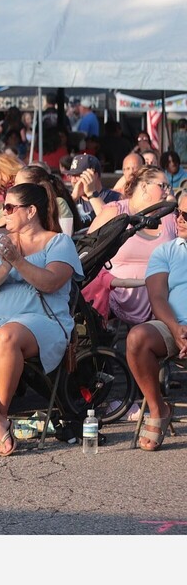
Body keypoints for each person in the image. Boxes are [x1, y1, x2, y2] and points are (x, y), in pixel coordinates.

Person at [0, 183, 82, 457]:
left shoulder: (58, 242)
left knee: (7, 336)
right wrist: (6, 264)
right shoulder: (1, 243)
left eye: (10, 207)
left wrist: (18, 262)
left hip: (44, 320)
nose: (5, 212)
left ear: (31, 211)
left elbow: (50, 283)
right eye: (5, 206)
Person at [125, 190, 187, 451]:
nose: (180, 219)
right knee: (138, 338)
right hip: (173, 324)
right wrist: (176, 329)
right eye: (178, 212)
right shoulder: (167, 251)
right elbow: (157, 297)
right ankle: (157, 408)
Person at [80, 165, 176, 325]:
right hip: (113, 305)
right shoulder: (115, 212)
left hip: (161, 306)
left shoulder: (169, 218)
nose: (168, 191)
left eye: (168, 187)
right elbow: (88, 254)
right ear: (144, 186)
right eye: (163, 186)